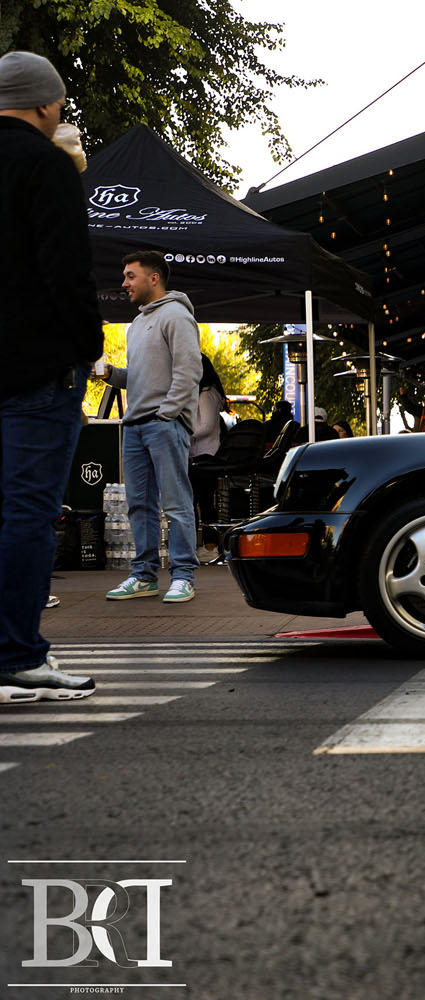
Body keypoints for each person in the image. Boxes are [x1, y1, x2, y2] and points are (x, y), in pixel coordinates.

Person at [0, 51, 102, 702]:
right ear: (44, 104)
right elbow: (67, 271)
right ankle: (16, 655)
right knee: (28, 514)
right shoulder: (46, 164)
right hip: (35, 366)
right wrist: (86, 348)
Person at [98, 251, 202, 604]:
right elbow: (141, 379)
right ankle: (144, 576)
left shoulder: (176, 315)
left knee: (175, 503)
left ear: (153, 278)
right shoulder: (135, 325)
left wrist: (167, 414)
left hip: (162, 425)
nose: (124, 283)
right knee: (138, 506)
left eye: (131, 276)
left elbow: (190, 373)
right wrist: (113, 375)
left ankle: (183, 575)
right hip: (136, 426)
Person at [189, 354, 228, 563]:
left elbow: (205, 426)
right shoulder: (206, 393)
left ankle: (210, 546)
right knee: (199, 500)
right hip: (202, 454)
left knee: (202, 501)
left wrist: (184, 431)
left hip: (207, 455)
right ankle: (205, 545)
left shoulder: (207, 394)